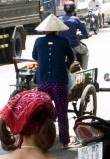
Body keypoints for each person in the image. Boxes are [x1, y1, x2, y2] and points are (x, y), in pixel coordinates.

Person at [33, 14, 77, 148]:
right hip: (59, 82)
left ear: (45, 30)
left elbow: (34, 56)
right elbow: (72, 57)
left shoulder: (38, 41)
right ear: (58, 30)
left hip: (43, 83)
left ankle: (41, 140)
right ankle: (64, 142)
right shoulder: (64, 42)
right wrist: (66, 66)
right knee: (62, 112)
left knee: (42, 113)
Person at [59, 1, 90, 67]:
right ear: (74, 9)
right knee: (85, 51)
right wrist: (87, 35)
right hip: (74, 45)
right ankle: (84, 70)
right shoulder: (75, 19)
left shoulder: (59, 19)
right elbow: (84, 32)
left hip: (60, 46)